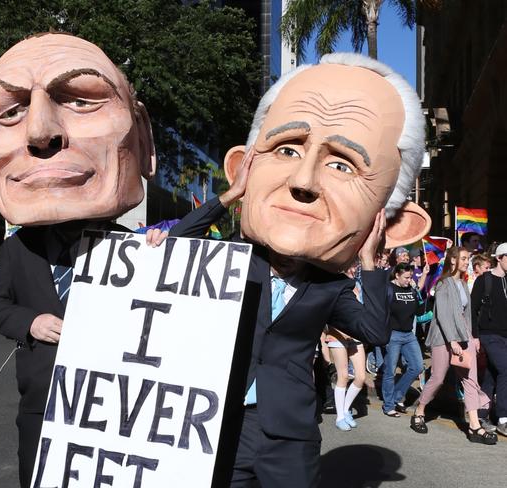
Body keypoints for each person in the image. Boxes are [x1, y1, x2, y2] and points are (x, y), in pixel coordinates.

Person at [154, 53, 432, 487]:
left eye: (342, 165)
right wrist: (229, 198)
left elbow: (375, 332)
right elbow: (174, 251)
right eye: (286, 149)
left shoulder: (329, 288)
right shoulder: (232, 262)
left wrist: (367, 262)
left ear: (390, 222)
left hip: (290, 434)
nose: (303, 182)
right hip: (220, 425)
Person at [0, 33, 156, 488]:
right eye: (9, 111)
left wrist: (163, 256)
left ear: (143, 138)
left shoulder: (138, 248)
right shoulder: (17, 249)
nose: (39, 133)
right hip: (42, 402)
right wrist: (30, 323)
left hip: (120, 408)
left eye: (81, 100)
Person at [411, 247, 496, 445]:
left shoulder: (463, 284)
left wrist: (473, 337)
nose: (467, 262)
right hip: (444, 337)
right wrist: (452, 341)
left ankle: (474, 426)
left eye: (468, 258)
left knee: (471, 381)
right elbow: (443, 315)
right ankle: (420, 410)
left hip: (464, 337)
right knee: (438, 377)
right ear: (452, 261)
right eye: (464, 258)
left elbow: (467, 314)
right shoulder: (443, 284)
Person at [325, 264, 367, 431]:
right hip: (337, 335)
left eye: (354, 267)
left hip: (355, 336)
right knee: (343, 376)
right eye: (349, 267)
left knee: (361, 377)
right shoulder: (334, 285)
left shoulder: (358, 285)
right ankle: (340, 417)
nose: (353, 269)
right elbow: (328, 313)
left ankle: (345, 409)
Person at [472, 242, 507, 436]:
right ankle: (504, 418)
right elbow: (472, 309)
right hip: (488, 335)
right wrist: (475, 336)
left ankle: (482, 413)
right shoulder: (484, 280)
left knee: (492, 376)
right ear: (499, 258)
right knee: (506, 368)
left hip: (505, 336)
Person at [381, 262, 424, 417]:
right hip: (393, 335)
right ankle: (388, 405)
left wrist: (417, 291)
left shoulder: (411, 290)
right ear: (397, 275)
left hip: (409, 334)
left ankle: (397, 395)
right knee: (390, 371)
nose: (408, 280)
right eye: (406, 277)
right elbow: (381, 312)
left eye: (410, 277)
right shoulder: (389, 289)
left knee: (417, 366)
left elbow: (419, 310)